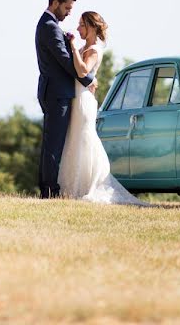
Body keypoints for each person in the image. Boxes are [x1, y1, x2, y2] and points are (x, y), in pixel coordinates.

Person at [58, 11, 147, 206]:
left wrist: (72, 47)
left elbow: (83, 71)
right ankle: (71, 186)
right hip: (76, 97)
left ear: (90, 27)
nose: (78, 28)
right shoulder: (83, 47)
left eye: (81, 25)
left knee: (84, 138)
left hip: (84, 100)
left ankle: (90, 184)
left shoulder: (94, 49)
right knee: (74, 139)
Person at [35, 0, 95, 199]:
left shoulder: (48, 24)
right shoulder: (50, 27)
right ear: (55, 3)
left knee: (51, 142)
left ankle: (47, 187)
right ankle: (50, 190)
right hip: (57, 92)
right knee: (54, 143)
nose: (69, 12)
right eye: (67, 7)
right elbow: (64, 60)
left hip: (52, 90)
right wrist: (88, 80)